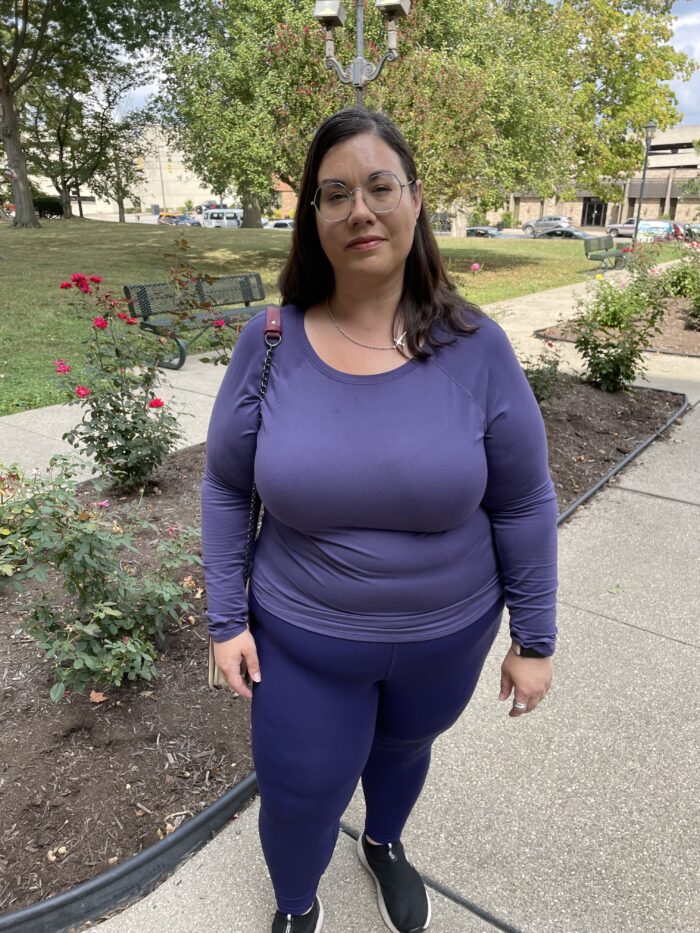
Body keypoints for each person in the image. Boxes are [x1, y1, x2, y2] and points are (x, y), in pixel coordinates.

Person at [201, 108, 558, 933]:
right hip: (302, 639)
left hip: (447, 638)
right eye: (334, 194)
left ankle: (386, 843)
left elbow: (525, 498)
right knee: (300, 791)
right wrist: (226, 620)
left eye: (378, 186)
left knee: (403, 753)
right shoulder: (271, 341)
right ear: (315, 219)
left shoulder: (477, 346)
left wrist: (534, 639)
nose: (359, 209)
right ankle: (296, 905)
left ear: (414, 199)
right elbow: (225, 487)